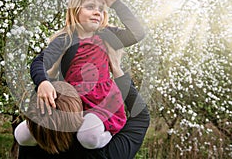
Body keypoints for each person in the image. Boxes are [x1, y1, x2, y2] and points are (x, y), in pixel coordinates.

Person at [25, 0, 146, 149]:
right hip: (72, 100)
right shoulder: (65, 39)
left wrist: (116, 3)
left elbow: (137, 33)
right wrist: (43, 82)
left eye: (101, 9)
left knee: (88, 137)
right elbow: (39, 62)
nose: (97, 12)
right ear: (75, 11)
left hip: (101, 100)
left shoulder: (108, 35)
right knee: (23, 136)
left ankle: (108, 134)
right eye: (90, 7)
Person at [17, 42, 150, 159]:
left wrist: (46, 78)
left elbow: (39, 108)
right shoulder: (107, 152)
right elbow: (141, 116)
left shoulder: (31, 145)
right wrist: (116, 68)